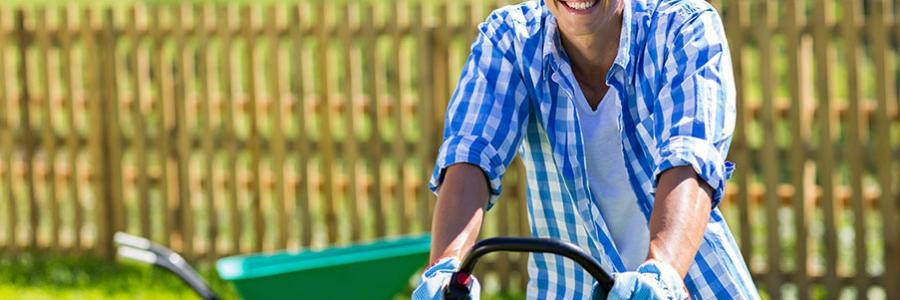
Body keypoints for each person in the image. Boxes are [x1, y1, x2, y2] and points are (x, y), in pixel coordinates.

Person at [413, 0, 758, 299]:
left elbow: (690, 157)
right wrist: (445, 267)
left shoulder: (683, 28)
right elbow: (472, 152)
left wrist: (663, 273)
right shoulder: (510, 39)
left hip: (686, 288)